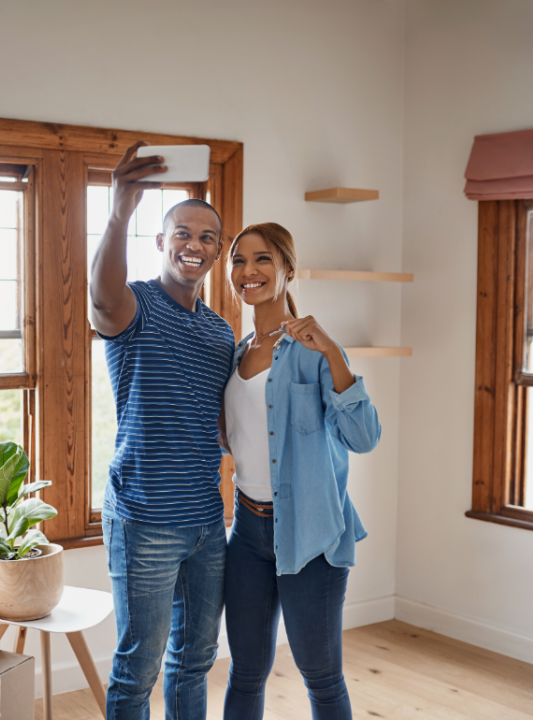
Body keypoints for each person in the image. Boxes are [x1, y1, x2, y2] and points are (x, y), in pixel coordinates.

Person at [90, 141, 236, 720]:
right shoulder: (134, 306)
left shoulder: (222, 332)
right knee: (137, 670)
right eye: (182, 233)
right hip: (144, 518)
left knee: (196, 659)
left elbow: (224, 426)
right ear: (161, 242)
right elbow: (101, 295)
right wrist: (119, 211)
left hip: (207, 521)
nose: (193, 245)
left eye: (205, 238)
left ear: (217, 251)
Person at [219, 222, 381, 720]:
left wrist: (332, 351)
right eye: (239, 261)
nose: (249, 271)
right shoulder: (236, 351)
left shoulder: (313, 351)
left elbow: (364, 437)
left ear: (288, 268)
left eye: (263, 259)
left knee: (321, 676)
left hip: (311, 534)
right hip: (246, 532)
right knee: (244, 672)